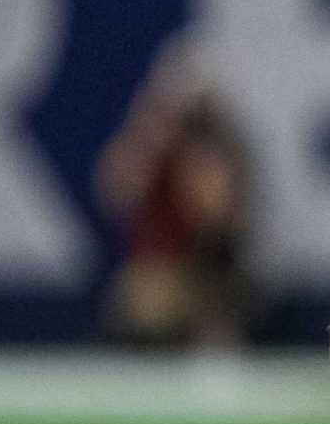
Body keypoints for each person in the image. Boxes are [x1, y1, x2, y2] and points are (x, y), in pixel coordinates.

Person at [96, 39, 253, 348]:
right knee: (140, 293)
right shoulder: (153, 144)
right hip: (160, 267)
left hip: (210, 270)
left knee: (167, 294)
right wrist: (148, 139)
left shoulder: (224, 148)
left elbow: (216, 218)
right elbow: (115, 190)